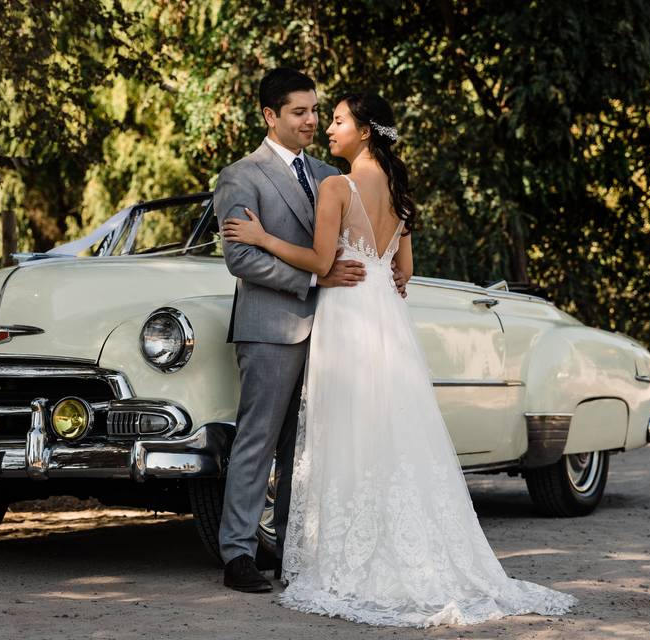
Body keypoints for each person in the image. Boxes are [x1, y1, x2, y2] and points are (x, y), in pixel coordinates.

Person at [222, 92, 578, 627]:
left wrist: (265, 236)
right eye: (312, 114)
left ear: (364, 131)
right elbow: (403, 273)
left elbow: (322, 261)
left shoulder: (334, 182)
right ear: (272, 116)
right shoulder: (390, 191)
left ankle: (325, 554)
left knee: (334, 436)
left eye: (334, 118)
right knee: (375, 434)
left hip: (344, 317)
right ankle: (265, 551)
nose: (323, 124)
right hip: (376, 320)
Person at [213, 69, 408, 594]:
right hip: (271, 327)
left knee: (305, 448)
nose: (312, 121)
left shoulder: (332, 173)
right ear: (269, 116)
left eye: (317, 111)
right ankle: (238, 553)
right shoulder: (241, 175)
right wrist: (313, 276)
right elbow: (241, 257)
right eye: (299, 112)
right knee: (257, 440)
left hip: (334, 334)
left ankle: (291, 549)